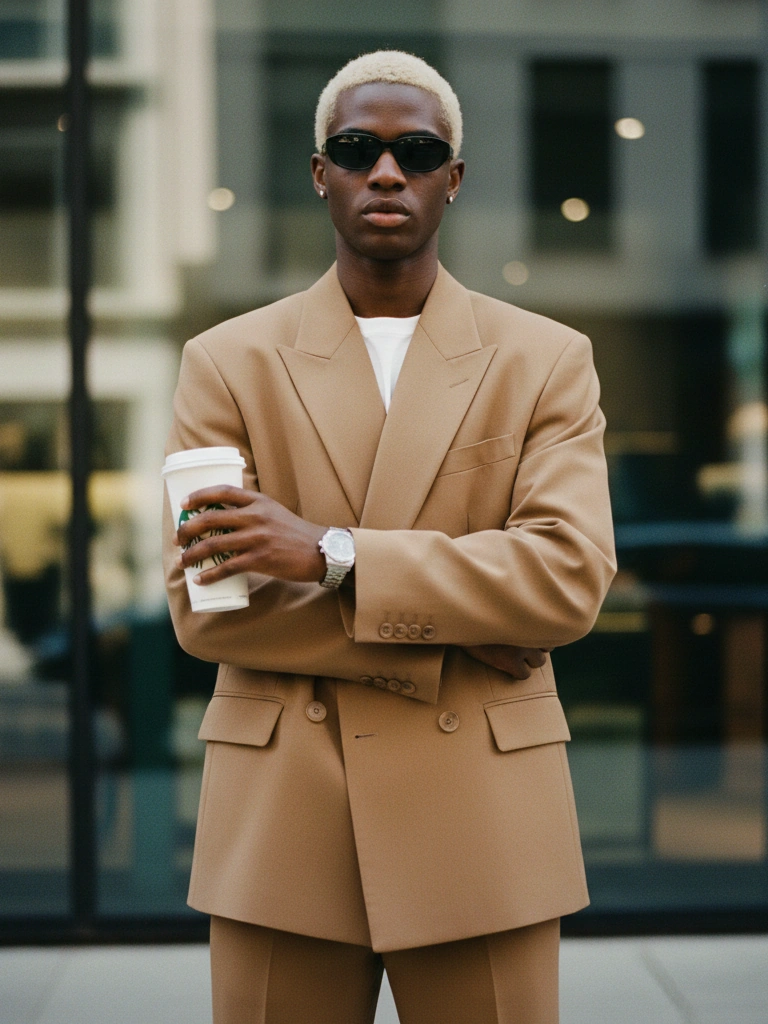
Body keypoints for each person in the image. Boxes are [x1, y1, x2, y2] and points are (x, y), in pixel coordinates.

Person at [164, 50, 616, 1024]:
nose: (386, 172)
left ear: (452, 178)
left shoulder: (545, 361)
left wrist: (331, 556)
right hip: (284, 819)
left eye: (416, 151)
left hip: (484, 820)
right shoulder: (227, 363)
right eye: (357, 148)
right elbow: (206, 613)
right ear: (318, 170)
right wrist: (457, 624)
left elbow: (567, 579)